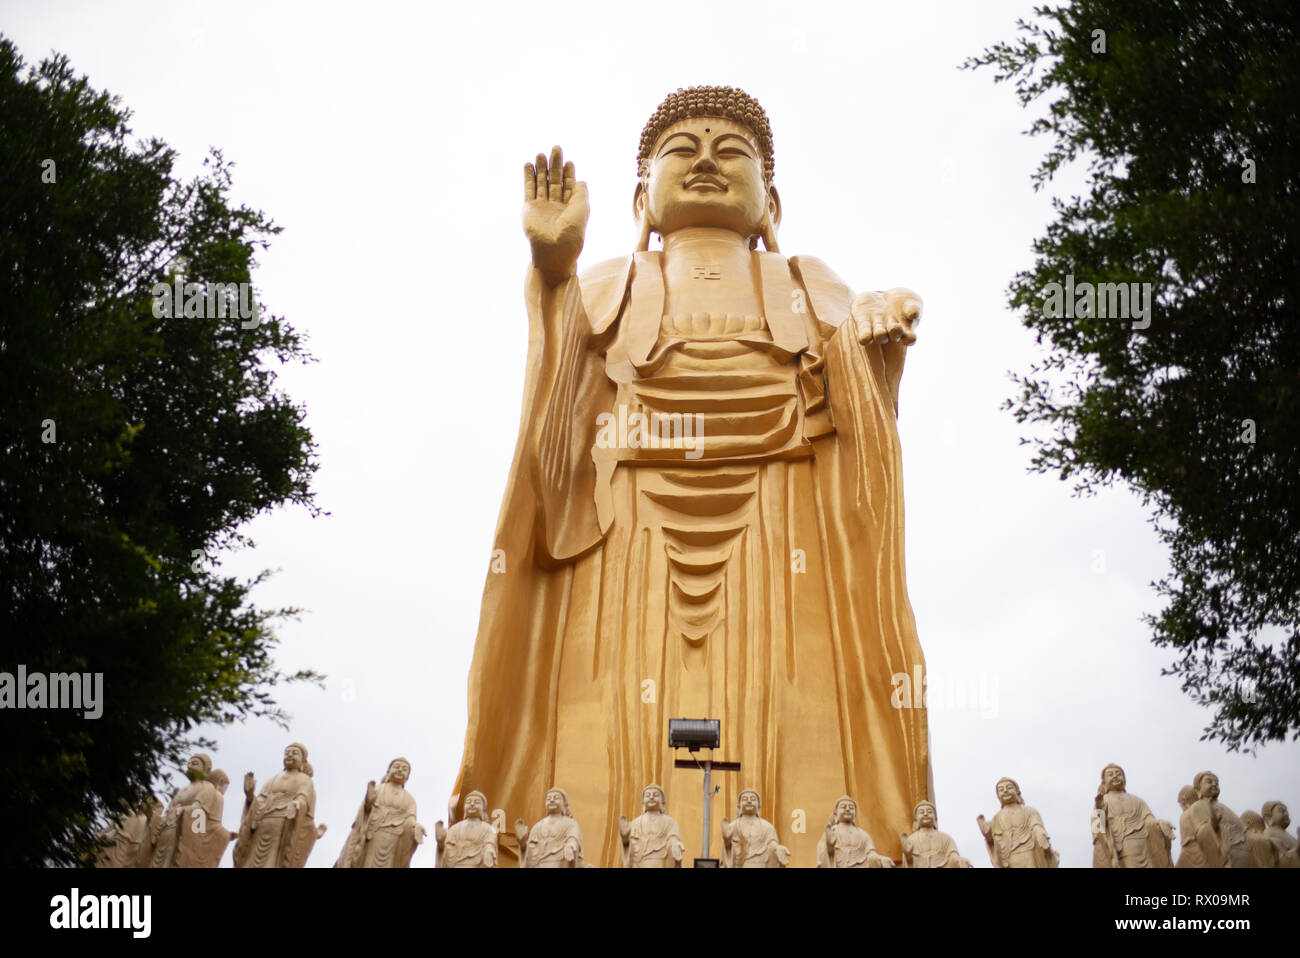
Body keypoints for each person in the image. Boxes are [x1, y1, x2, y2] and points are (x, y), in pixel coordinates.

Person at [450, 85, 931, 867]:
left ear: (770, 199)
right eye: (683, 150)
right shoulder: (606, 281)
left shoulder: (809, 282)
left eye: (730, 151)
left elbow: (854, 399)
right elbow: (557, 401)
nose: (706, 160)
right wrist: (553, 269)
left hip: (780, 508)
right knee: (613, 704)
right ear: (642, 194)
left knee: (782, 693)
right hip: (628, 515)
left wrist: (875, 327)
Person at [233, 742, 325, 868]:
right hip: (261, 826)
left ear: (303, 760)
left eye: (294, 753)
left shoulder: (304, 780)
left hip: (282, 826)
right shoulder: (272, 779)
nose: (289, 756)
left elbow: (303, 799)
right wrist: (250, 796)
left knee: (273, 862)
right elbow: (259, 803)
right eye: (287, 753)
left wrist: (296, 804)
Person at [335, 757, 425, 868]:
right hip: (374, 834)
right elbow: (365, 812)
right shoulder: (378, 789)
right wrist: (368, 802)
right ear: (388, 771)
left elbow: (410, 819)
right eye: (396, 767)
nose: (400, 770)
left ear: (408, 777)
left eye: (404, 769)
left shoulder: (410, 799)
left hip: (395, 839)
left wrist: (416, 826)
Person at [1091, 763, 1172, 868]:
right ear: (1104, 782)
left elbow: (1149, 819)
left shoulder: (1137, 800)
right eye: (1110, 774)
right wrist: (1099, 810)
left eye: (1119, 774)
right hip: (1121, 844)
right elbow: (1097, 826)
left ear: (1124, 779)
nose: (1115, 776)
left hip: (1144, 842)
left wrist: (1159, 823)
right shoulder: (1103, 800)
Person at [978, 777, 1059, 868]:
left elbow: (1036, 825)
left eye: (1009, 788)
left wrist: (1040, 833)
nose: (1005, 791)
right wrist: (983, 825)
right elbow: (990, 836)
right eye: (1001, 790)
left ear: (1017, 791)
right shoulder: (996, 818)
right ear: (998, 796)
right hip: (1008, 856)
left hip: (1029, 850)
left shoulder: (1029, 811)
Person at [816, 795, 893, 868]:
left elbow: (871, 853)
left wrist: (880, 859)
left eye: (851, 807)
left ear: (855, 813)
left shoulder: (863, 834)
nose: (847, 809)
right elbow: (823, 852)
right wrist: (829, 847)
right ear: (835, 813)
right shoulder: (832, 831)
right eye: (843, 807)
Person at [515, 787, 584, 868]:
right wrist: (523, 844)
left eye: (556, 798)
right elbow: (530, 853)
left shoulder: (571, 823)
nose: (551, 800)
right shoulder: (537, 827)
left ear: (565, 804)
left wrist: (570, 846)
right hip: (538, 864)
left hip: (560, 862)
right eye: (548, 798)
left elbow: (573, 839)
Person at [619, 784, 685, 868]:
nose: (651, 797)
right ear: (643, 802)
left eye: (656, 795)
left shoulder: (670, 822)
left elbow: (673, 838)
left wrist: (675, 846)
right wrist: (625, 839)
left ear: (663, 802)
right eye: (647, 795)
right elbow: (630, 847)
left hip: (661, 861)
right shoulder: (635, 823)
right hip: (639, 862)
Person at [721, 788, 789, 868]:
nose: (749, 801)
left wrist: (778, 848)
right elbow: (728, 851)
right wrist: (727, 841)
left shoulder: (767, 826)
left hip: (761, 863)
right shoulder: (734, 825)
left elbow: (771, 843)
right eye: (745, 799)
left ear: (759, 805)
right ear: (739, 805)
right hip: (740, 864)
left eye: (753, 799)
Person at [435, 790, 498, 868]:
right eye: (468, 802)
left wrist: (489, 850)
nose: (472, 804)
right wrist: (441, 843)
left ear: (483, 809)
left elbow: (490, 843)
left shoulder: (488, 829)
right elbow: (447, 849)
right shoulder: (454, 829)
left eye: (477, 802)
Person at [900, 800, 971, 868]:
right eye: (921, 812)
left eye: (929, 812)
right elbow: (909, 863)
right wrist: (908, 856)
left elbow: (952, 856)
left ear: (935, 817)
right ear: (916, 819)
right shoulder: (911, 840)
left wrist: (959, 860)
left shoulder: (945, 838)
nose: (925, 814)